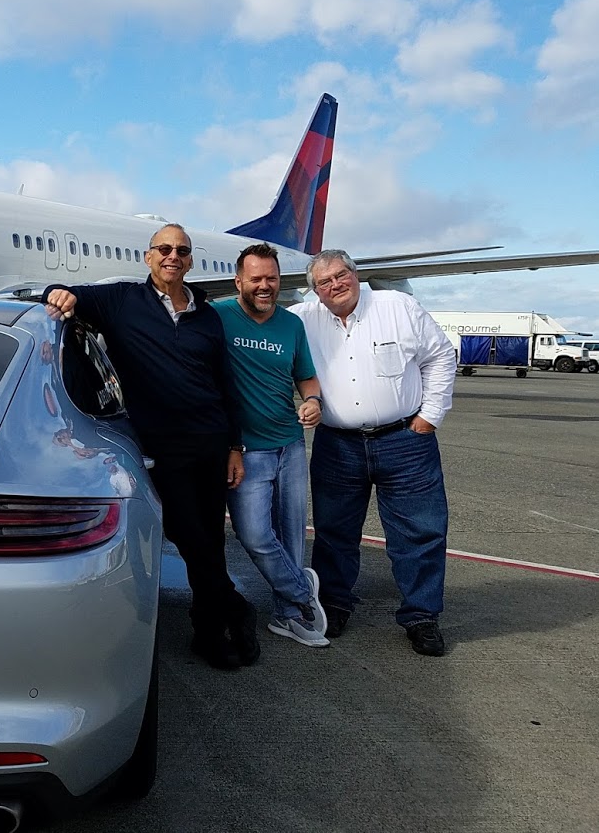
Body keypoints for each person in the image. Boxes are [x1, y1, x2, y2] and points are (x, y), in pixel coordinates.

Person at [44, 224, 261, 670]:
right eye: (164, 248)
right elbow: (61, 293)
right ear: (149, 256)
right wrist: (58, 293)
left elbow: (225, 382)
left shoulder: (206, 315)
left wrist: (235, 445)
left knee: (210, 539)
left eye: (181, 250)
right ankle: (236, 607)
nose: (172, 256)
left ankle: (208, 632)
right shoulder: (123, 300)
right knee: (187, 534)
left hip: (211, 441)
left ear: (190, 260)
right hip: (162, 446)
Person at [289, 250, 456, 656]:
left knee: (420, 532)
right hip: (337, 444)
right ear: (315, 291)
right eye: (324, 282)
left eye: (341, 275)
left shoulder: (398, 307)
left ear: (355, 273)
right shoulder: (302, 319)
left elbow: (440, 356)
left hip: (405, 441)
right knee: (333, 532)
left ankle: (421, 616)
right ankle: (334, 605)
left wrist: (429, 417)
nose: (335, 285)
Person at [215, 243, 329, 648]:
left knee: (291, 535)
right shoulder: (218, 317)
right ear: (238, 281)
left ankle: (288, 616)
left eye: (272, 279)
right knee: (254, 536)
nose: (265, 286)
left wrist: (313, 401)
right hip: (245, 452)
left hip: (290, 446)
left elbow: (306, 377)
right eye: (256, 279)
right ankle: (302, 591)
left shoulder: (291, 324)